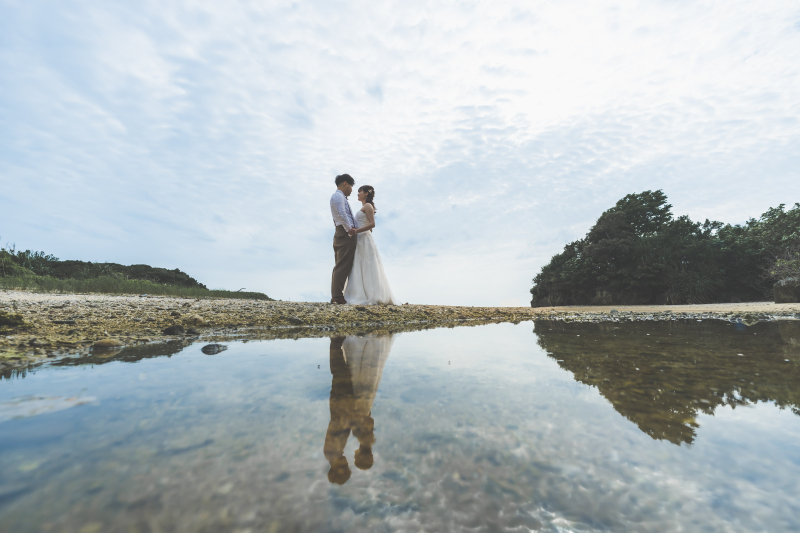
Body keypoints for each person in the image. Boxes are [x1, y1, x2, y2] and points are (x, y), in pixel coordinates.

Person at [342, 185, 400, 305]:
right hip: (361, 238)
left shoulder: (368, 206)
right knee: (360, 264)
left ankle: (369, 294)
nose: (358, 194)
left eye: (360, 191)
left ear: (366, 193)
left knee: (366, 264)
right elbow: (369, 226)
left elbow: (372, 224)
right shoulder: (364, 207)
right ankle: (360, 292)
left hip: (363, 238)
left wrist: (357, 231)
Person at [330, 174, 358, 304]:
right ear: (345, 183)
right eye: (351, 186)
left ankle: (338, 295)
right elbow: (341, 213)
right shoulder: (338, 196)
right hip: (344, 232)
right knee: (342, 264)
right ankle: (337, 296)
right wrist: (349, 230)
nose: (352, 190)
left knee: (343, 263)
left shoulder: (340, 197)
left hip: (343, 231)